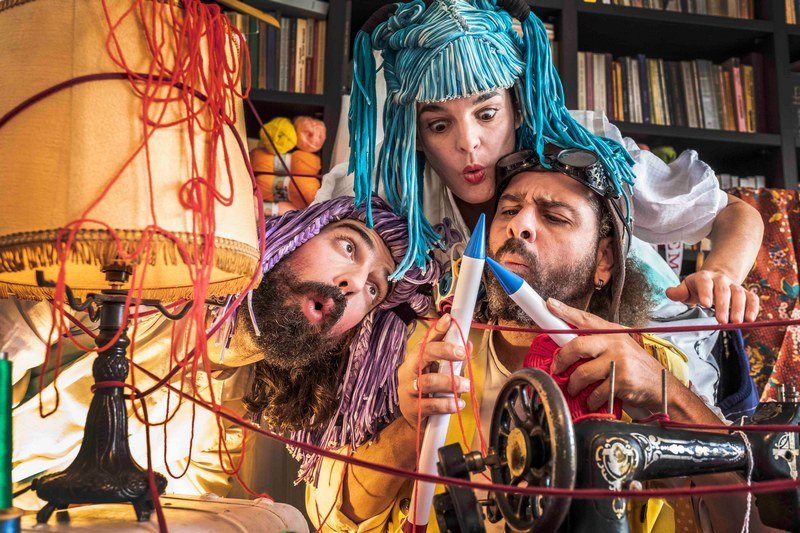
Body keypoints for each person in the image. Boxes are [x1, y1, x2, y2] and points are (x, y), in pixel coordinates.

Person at [305, 148, 758, 532]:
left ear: (604, 260)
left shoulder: (650, 366)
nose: (519, 225)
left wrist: (668, 395)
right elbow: (331, 518)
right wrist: (409, 428)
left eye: (554, 217)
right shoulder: (424, 345)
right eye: (507, 210)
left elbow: (746, 521)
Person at [316, 0, 763, 325]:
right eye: (438, 125)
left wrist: (721, 275)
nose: (468, 144)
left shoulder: (583, 151)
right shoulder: (386, 187)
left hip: (654, 342)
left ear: (517, 106)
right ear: (413, 133)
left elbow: (735, 213)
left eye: (486, 114)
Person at [6, 196, 437, 508]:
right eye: (348, 247)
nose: (355, 283)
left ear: (347, 336)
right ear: (293, 235)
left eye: (375, 288)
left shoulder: (234, 413)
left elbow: (189, 503)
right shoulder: (135, 286)